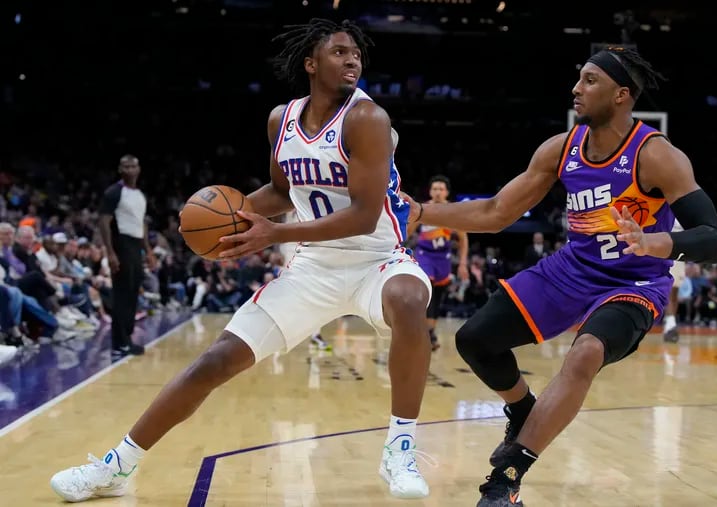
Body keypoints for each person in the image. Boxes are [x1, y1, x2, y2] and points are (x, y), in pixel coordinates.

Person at [50, 18, 433, 502]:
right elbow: (279, 191)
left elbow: (362, 215)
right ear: (311, 64)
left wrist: (276, 232)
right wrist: (234, 218)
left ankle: (400, 447)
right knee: (215, 361)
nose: (352, 59)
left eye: (356, 53)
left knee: (409, 298)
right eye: (339, 52)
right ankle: (116, 464)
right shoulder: (282, 120)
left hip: (376, 257)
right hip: (313, 268)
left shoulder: (368, 119)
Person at [402, 47, 717, 506]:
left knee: (584, 353)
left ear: (621, 95)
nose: (576, 88)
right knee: (474, 340)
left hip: (632, 284)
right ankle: (521, 409)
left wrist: (660, 243)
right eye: (579, 78)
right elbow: (497, 212)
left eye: (590, 80)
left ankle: (506, 481)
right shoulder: (561, 149)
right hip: (572, 268)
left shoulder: (656, 155)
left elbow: (713, 239)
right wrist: (421, 211)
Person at [99, 154, 157, 358]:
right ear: (120, 170)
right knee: (122, 295)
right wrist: (110, 252)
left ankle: (128, 339)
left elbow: (141, 223)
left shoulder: (140, 195)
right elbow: (104, 222)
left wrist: (148, 251)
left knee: (133, 292)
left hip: (135, 246)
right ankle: (118, 343)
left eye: (134, 166)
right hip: (120, 243)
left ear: (139, 169)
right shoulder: (114, 192)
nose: (130, 170)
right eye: (126, 166)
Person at [407, 175, 469, 350]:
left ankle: (430, 332)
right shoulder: (422, 209)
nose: (438, 192)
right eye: (434, 189)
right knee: (428, 289)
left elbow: (463, 239)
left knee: (438, 295)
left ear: (447, 192)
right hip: (424, 254)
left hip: (444, 257)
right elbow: (408, 232)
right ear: (430, 191)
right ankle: (424, 332)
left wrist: (463, 263)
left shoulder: (454, 211)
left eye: (441, 189)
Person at [663, 219, 685, 342]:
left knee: (675, 292)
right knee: (670, 292)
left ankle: (670, 323)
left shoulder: (685, 207)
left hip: (680, 252)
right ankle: (670, 325)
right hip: (666, 250)